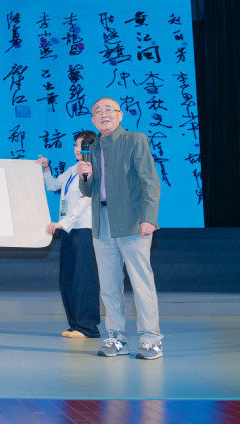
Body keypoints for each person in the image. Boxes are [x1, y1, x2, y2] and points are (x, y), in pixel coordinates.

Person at [78, 97, 163, 360]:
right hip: (102, 220)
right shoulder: (93, 148)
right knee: (108, 285)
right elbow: (88, 191)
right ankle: (116, 337)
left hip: (131, 220)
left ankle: (151, 340)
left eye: (109, 110)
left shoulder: (135, 140)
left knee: (141, 282)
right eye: (98, 112)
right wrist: (85, 175)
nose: (103, 115)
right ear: (92, 120)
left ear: (120, 115)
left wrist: (149, 217)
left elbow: (150, 181)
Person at [37, 131, 101, 339]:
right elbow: (52, 185)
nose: (77, 149)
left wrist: (62, 223)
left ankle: (88, 326)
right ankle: (74, 324)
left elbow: (84, 203)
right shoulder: (73, 169)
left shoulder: (92, 170)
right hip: (68, 230)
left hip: (84, 230)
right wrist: (46, 168)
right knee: (68, 278)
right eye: (75, 145)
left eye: (82, 146)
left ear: (92, 148)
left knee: (84, 279)